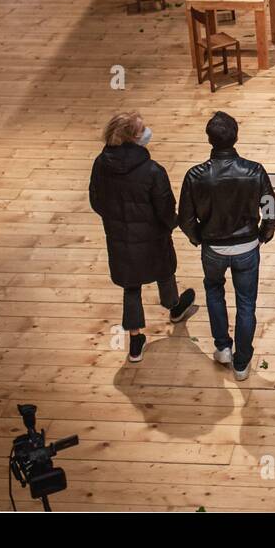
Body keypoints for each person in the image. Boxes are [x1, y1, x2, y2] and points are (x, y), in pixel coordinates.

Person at [177, 112, 275, 381]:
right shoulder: (254, 171)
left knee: (214, 293)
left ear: (209, 139)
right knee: (246, 304)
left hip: (213, 248)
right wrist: (263, 235)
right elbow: (271, 209)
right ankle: (242, 362)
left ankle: (223, 347)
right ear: (236, 136)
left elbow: (185, 218)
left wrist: (198, 238)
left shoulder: (195, 175)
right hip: (247, 247)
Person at [89, 111, 196, 363]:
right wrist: (171, 224)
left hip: (118, 237)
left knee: (131, 285)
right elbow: (165, 208)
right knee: (164, 271)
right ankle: (174, 306)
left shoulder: (100, 164)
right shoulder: (152, 171)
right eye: (142, 129)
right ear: (134, 138)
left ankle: (136, 339)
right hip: (152, 235)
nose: (147, 131)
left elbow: (96, 200)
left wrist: (114, 219)